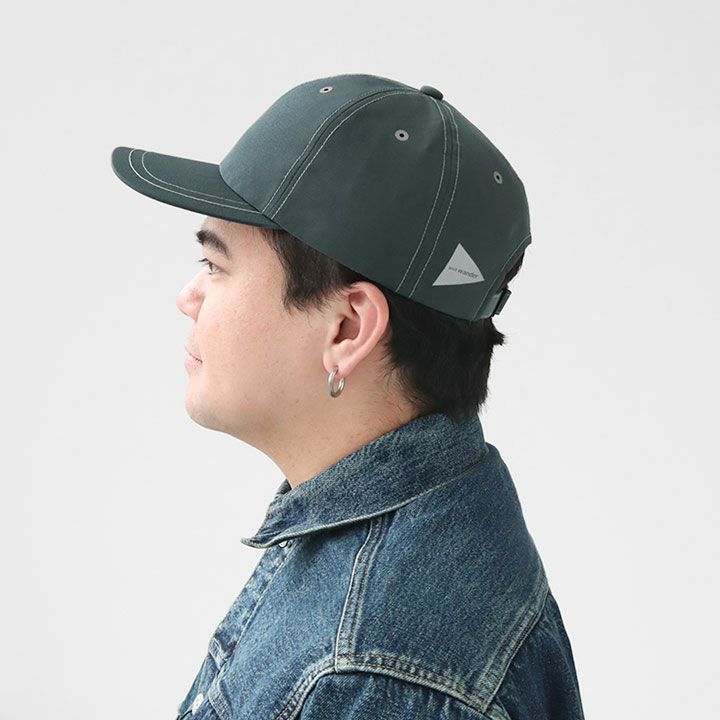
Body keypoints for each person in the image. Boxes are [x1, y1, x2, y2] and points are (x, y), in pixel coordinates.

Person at [111, 73, 585, 719]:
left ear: (347, 329)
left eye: (216, 265)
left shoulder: (371, 673)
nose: (187, 297)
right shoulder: (427, 520)